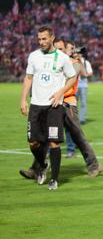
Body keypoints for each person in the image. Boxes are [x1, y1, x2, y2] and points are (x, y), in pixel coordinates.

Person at [19, 39, 103, 180]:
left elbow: (71, 78)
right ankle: (37, 169)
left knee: (77, 135)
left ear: (67, 50)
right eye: (57, 48)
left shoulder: (73, 63)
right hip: (52, 103)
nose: (59, 50)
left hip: (67, 103)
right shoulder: (57, 61)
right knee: (46, 137)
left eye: (62, 48)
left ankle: (94, 165)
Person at [20, 26, 77, 190]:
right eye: (39, 39)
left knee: (54, 143)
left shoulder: (62, 58)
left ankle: (54, 179)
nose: (41, 42)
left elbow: (72, 78)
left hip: (54, 106)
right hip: (36, 105)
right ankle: (42, 165)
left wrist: (61, 92)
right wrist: (23, 99)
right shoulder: (33, 56)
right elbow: (28, 78)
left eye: (44, 39)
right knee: (33, 142)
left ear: (52, 38)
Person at [76, 49, 93, 125]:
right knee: (73, 103)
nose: (77, 54)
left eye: (79, 53)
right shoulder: (73, 61)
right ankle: (75, 118)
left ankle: (82, 119)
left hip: (83, 84)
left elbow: (90, 72)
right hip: (74, 85)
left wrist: (85, 74)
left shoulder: (86, 62)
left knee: (83, 103)